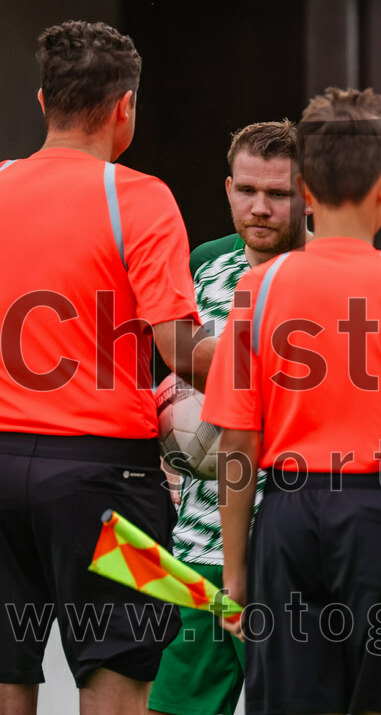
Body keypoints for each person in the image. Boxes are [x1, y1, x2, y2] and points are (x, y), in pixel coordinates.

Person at [202, 87, 381, 715]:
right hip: (380, 517)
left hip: (286, 522)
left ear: (306, 192)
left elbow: (237, 445)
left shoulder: (256, 289)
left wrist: (235, 572)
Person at [0, 20, 214, 715]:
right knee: (117, 679)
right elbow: (179, 347)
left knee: (7, 670)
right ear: (124, 107)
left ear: (42, 101)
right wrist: (260, 360)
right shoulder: (140, 197)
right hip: (104, 478)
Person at [147, 120, 309, 715]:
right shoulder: (205, 263)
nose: (260, 207)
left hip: (288, 549)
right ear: (227, 188)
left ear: (308, 193)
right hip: (194, 547)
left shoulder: (338, 273)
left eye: (278, 193)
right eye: (246, 190)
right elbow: (173, 376)